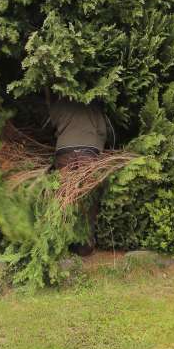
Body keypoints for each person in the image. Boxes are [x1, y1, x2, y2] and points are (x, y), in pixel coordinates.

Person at [46, 96, 108, 255]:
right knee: (88, 198)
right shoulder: (93, 105)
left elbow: (49, 126)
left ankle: (61, 241)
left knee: (65, 196)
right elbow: (103, 131)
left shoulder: (60, 104)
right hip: (89, 153)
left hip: (65, 153)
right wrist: (97, 152)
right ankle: (85, 245)